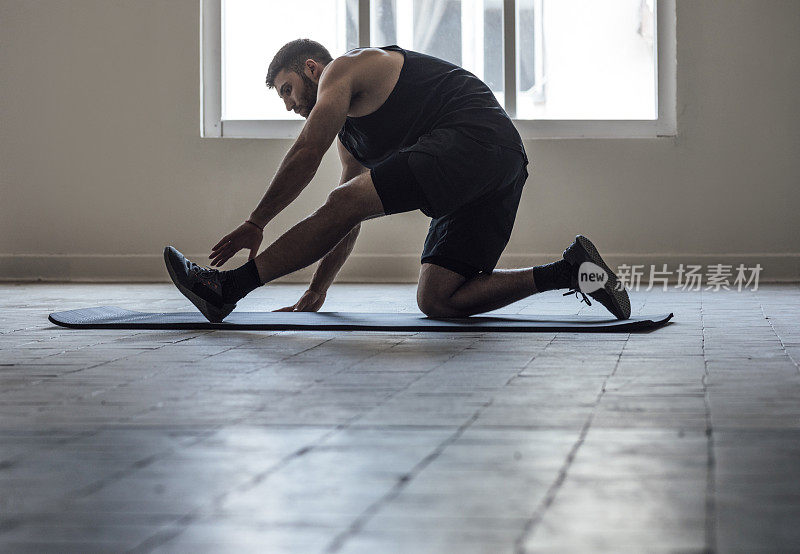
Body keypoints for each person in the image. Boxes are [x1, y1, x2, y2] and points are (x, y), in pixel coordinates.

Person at [164, 39, 630, 323]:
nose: (288, 104)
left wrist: (256, 222)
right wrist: (318, 289)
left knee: (345, 198)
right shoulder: (353, 138)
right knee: (438, 299)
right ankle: (572, 271)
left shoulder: (346, 69)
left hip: (474, 136)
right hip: (497, 167)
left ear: (311, 68)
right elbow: (345, 217)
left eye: (288, 89)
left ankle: (228, 288)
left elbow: (307, 152)